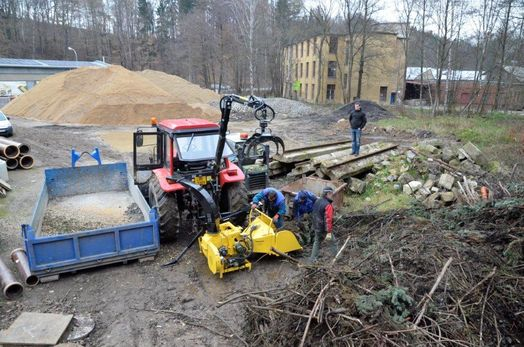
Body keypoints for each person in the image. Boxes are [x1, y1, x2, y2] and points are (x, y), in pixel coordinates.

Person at [309, 186, 337, 262]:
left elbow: (314, 214)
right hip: (324, 229)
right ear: (328, 193)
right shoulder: (328, 205)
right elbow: (328, 220)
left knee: (317, 241)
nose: (332, 195)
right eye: (331, 194)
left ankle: (313, 258)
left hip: (316, 226)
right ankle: (336, 258)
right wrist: (328, 232)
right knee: (333, 242)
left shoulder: (318, 201)